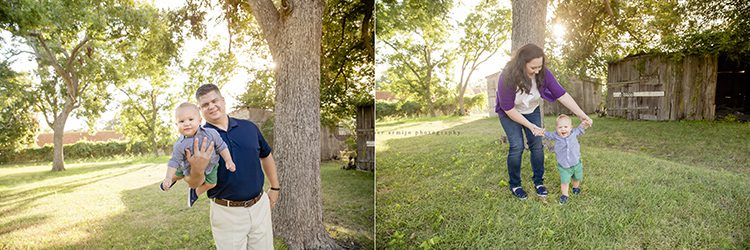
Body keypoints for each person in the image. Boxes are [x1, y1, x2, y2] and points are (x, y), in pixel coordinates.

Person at [495, 43, 592, 200]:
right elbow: (508, 108)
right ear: (521, 63)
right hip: (510, 113)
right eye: (533, 67)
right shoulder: (507, 76)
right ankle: (515, 185)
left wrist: (581, 114)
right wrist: (531, 126)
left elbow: (561, 94)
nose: (537, 70)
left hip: (531, 110)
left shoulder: (543, 73)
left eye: (540, 66)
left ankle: (539, 182)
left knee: (537, 146)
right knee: (517, 146)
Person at [188, 84, 280, 249]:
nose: (211, 106)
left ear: (222, 101)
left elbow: (266, 155)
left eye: (214, 101)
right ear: (200, 109)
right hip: (226, 213)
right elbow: (193, 183)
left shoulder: (249, 128)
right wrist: (197, 168)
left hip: (260, 206)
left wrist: (275, 187)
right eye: (205, 105)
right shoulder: (197, 140)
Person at [160, 102, 236, 208]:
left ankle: (195, 193)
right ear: (176, 125)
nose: (186, 123)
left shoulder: (211, 133)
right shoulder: (179, 145)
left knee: (212, 183)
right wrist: (168, 177)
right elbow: (174, 161)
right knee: (178, 173)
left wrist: (228, 160)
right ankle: (171, 180)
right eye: (181, 121)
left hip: (211, 165)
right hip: (187, 166)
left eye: (191, 119)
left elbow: (222, 146)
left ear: (200, 121)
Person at [543, 114, 590, 204]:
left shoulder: (574, 132)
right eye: (560, 127)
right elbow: (547, 135)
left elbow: (581, 128)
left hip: (576, 163)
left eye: (565, 127)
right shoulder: (556, 135)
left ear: (571, 127)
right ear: (556, 128)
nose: (563, 129)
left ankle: (575, 188)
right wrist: (541, 132)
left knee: (577, 178)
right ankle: (565, 195)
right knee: (565, 181)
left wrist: (585, 123)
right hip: (564, 166)